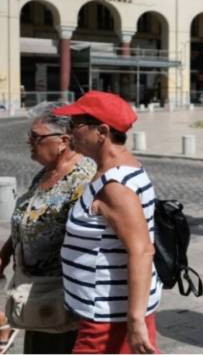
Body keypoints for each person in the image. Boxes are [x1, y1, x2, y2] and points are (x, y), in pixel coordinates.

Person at [53, 91, 161, 354]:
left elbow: (142, 250)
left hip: (109, 321)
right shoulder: (115, 172)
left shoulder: (115, 186)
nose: (68, 133)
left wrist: (135, 321)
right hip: (106, 312)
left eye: (74, 125)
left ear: (101, 131)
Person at [1, 102, 96, 353]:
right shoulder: (46, 172)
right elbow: (29, 216)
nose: (28, 141)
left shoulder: (84, 178)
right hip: (36, 292)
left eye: (35, 136)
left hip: (64, 297)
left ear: (63, 141)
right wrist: (7, 249)